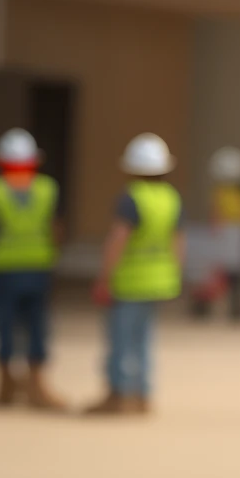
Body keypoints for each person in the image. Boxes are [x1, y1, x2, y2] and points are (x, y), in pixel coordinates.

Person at [0, 127, 64, 409]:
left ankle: (6, 386)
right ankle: (35, 386)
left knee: (5, 325)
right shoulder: (46, 189)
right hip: (36, 268)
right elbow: (55, 229)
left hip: (5, 270)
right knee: (36, 327)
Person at [87, 133, 184, 415]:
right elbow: (178, 241)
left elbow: (118, 239)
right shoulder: (171, 198)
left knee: (121, 338)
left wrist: (105, 276)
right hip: (158, 280)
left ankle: (118, 394)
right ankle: (142, 395)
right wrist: (175, 275)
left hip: (129, 281)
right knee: (144, 340)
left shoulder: (131, 199)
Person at [200, 145, 240, 322]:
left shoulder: (222, 192)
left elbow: (215, 215)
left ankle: (206, 307)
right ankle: (237, 309)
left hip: (227, 236)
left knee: (217, 275)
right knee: (236, 276)